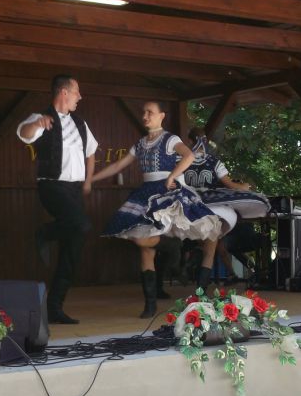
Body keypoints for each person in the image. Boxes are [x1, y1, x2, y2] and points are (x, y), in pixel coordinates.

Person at [89, 101, 232, 318]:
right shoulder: (140, 144)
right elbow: (118, 165)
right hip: (146, 193)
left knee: (210, 235)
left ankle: (199, 296)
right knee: (143, 244)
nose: (145, 116)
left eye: (150, 112)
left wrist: (173, 176)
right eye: (143, 112)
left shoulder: (170, 139)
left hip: (168, 190)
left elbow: (189, 156)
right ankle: (151, 302)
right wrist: (90, 179)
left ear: (161, 116)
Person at [17, 75, 98, 325]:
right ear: (64, 92)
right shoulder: (41, 117)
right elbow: (23, 133)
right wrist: (37, 124)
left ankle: (54, 307)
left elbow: (91, 152)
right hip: (52, 186)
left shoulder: (80, 123)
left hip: (74, 190)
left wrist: (88, 181)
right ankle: (45, 232)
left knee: (72, 249)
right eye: (76, 92)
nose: (79, 97)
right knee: (82, 224)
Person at [182, 127, 272, 284]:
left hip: (188, 209)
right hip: (211, 209)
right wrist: (245, 187)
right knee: (210, 251)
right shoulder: (214, 162)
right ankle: (200, 291)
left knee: (199, 243)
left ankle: (190, 259)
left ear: (189, 141)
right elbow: (231, 185)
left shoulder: (181, 161)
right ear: (205, 141)